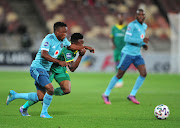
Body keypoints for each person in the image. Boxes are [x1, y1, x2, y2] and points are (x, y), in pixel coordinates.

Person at [6, 22, 94, 118]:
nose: (65, 35)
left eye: (66, 32)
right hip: (38, 67)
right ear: (56, 32)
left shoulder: (63, 40)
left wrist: (84, 47)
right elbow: (44, 54)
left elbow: (70, 46)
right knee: (50, 89)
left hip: (47, 69)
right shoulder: (48, 39)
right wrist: (59, 62)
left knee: (40, 97)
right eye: (63, 32)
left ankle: (15, 96)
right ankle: (44, 113)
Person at [102, 9, 149, 105]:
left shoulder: (144, 26)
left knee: (143, 73)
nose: (140, 16)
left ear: (144, 16)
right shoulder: (131, 25)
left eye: (142, 15)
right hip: (128, 53)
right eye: (138, 15)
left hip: (137, 54)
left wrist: (143, 44)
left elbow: (140, 38)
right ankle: (106, 94)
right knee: (119, 74)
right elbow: (127, 38)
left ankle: (132, 94)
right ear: (135, 16)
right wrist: (141, 41)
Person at [110, 13, 127, 88]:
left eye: (122, 18)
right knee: (117, 63)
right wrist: (113, 44)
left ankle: (120, 79)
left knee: (121, 63)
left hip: (123, 48)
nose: (120, 19)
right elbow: (112, 37)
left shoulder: (126, 28)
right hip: (116, 49)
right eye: (119, 18)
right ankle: (118, 78)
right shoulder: (114, 28)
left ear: (123, 19)